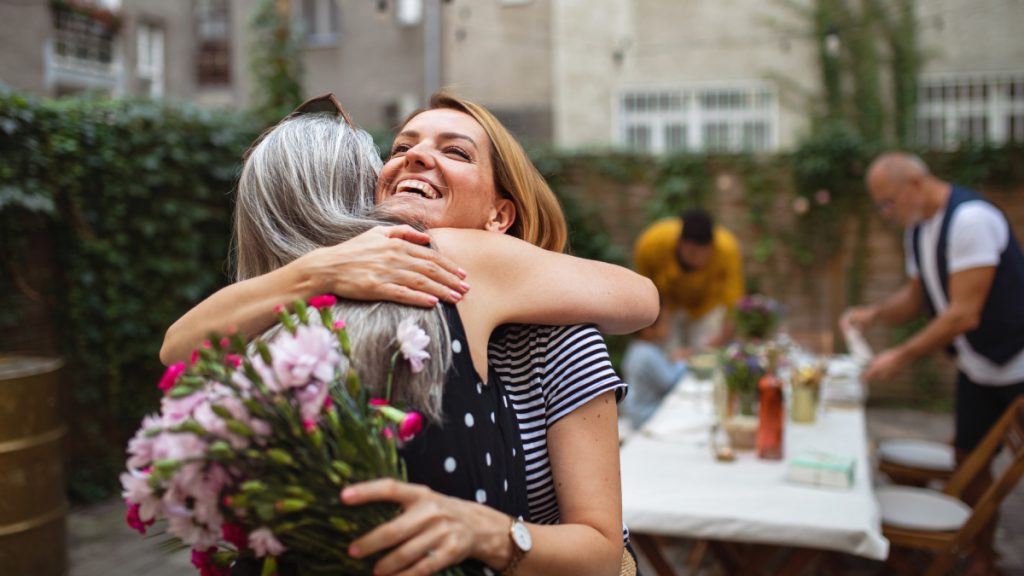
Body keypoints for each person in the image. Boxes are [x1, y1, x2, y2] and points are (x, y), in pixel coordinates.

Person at [164, 93, 657, 575]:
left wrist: (490, 533)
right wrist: (322, 270)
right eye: (400, 148)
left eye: (455, 151)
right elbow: (179, 349)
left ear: (499, 217)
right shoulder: (362, 287)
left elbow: (600, 552)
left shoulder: (551, 330)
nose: (415, 156)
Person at [843, 151, 1024, 575]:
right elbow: (918, 296)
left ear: (915, 185)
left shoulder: (971, 221)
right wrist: (875, 314)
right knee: (968, 458)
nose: (886, 212)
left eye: (888, 202)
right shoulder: (920, 230)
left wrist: (902, 356)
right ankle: (981, 554)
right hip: (979, 366)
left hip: (1017, 359)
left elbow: (963, 313)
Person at [633, 208, 744, 351]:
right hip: (668, 304)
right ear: (679, 242)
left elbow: (733, 300)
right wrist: (652, 324)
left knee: (706, 352)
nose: (699, 259)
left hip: (706, 305)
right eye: (692, 253)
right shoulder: (651, 244)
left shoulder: (727, 249)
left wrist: (723, 337)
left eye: (705, 253)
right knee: (668, 351)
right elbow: (643, 287)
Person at [620, 310, 686, 429]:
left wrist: (672, 361)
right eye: (664, 323)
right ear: (647, 330)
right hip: (646, 415)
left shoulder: (638, 347)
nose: (668, 327)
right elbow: (670, 383)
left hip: (636, 412)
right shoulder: (647, 353)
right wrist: (681, 363)